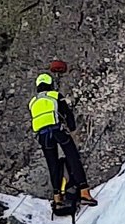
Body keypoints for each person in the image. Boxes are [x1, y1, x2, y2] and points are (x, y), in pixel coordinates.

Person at [29, 73, 98, 207]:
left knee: (53, 165)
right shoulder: (55, 95)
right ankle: (84, 192)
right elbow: (67, 113)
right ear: (50, 84)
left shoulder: (32, 102)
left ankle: (57, 198)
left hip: (43, 135)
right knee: (72, 157)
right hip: (57, 130)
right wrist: (71, 128)